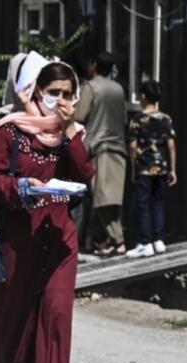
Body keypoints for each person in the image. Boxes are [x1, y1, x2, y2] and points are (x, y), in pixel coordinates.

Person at [0, 55, 94, 363]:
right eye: (52, 92)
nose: (59, 100)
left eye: (67, 93)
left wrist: (73, 130)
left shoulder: (71, 137)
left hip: (59, 238)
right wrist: (21, 188)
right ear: (36, 92)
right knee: (14, 314)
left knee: (57, 317)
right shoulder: (10, 131)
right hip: (19, 238)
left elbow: (84, 174)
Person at [76, 52, 127, 256]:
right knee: (110, 197)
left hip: (98, 147)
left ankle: (118, 240)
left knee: (101, 198)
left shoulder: (90, 87)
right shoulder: (119, 89)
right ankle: (95, 240)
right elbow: (122, 117)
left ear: (94, 65)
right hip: (119, 147)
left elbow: (80, 116)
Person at [126, 80, 176, 259]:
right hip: (162, 168)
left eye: (141, 95)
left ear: (145, 97)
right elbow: (171, 145)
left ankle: (145, 243)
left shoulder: (137, 120)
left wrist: (133, 168)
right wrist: (173, 169)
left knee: (143, 204)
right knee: (158, 202)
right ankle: (159, 241)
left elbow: (132, 146)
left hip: (144, 168)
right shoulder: (165, 118)